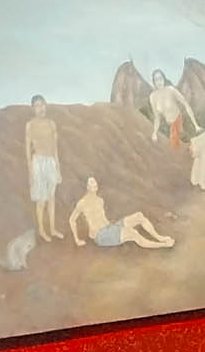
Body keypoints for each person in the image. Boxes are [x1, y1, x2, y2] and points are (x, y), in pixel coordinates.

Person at [68, 177, 175, 249]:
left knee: (139, 215)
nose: (95, 184)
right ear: (87, 187)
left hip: (110, 227)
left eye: (95, 182)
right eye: (91, 182)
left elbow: (103, 219)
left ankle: (160, 237)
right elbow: (72, 220)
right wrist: (77, 240)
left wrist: (115, 225)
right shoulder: (82, 203)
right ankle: (163, 244)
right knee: (133, 233)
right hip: (100, 236)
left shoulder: (100, 200)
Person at [24, 95, 64, 241]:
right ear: (33, 109)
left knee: (51, 198)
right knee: (41, 200)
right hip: (38, 163)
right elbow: (28, 150)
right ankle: (42, 230)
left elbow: (55, 149)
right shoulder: (30, 125)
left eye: (42, 105)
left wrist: (58, 168)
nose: (41, 108)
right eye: (37, 106)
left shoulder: (52, 124)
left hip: (51, 163)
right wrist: (30, 172)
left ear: (46, 105)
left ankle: (52, 229)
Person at [147, 69, 197, 148]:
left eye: (160, 78)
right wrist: (154, 132)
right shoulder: (152, 97)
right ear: (153, 82)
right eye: (156, 79)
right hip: (167, 127)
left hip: (179, 122)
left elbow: (185, 103)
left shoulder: (171, 90)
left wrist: (196, 125)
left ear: (164, 79)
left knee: (178, 143)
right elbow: (157, 117)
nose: (159, 82)